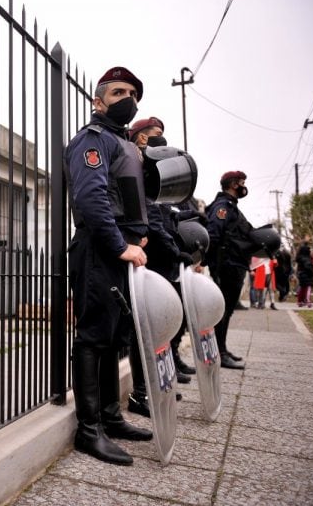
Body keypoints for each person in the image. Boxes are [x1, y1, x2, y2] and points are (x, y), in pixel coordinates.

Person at [65, 66, 152, 466]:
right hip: (100, 249)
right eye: (118, 92)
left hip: (119, 249)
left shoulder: (125, 144)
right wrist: (121, 245)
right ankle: (88, 430)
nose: (127, 98)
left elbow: (127, 197)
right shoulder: (92, 139)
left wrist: (138, 236)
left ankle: (111, 417)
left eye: (132, 93)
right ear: (98, 101)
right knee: (93, 336)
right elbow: (91, 199)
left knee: (114, 337)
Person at [125, 117, 195, 418]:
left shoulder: (156, 178)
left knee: (157, 331)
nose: (159, 140)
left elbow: (168, 220)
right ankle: (142, 391)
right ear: (140, 138)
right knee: (144, 332)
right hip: (147, 263)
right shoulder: (138, 171)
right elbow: (153, 223)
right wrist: (177, 252)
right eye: (154, 135)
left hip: (160, 267)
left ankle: (156, 384)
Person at [204, 171, 256, 370]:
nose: (244, 186)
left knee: (227, 311)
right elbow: (213, 236)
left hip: (235, 265)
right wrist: (213, 264)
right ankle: (219, 352)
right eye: (242, 182)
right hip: (226, 267)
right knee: (222, 312)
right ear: (234, 184)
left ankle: (222, 349)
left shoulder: (232, 207)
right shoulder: (223, 207)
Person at [296, 238, 313, 307]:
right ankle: (308, 301)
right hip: (307, 275)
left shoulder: (299, 258)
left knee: (302, 288)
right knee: (308, 288)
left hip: (301, 274)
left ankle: (300, 301)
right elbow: (308, 267)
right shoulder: (307, 258)